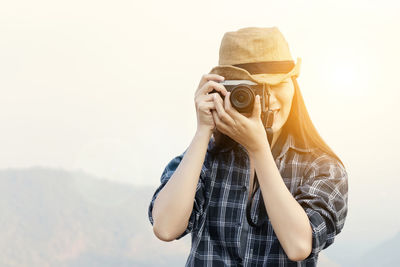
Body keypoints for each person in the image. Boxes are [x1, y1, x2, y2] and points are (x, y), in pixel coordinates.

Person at [148, 27, 348, 266]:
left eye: (279, 84)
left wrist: (259, 150)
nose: (271, 99)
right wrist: (203, 130)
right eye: (255, 89)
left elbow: (299, 246)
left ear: (294, 85)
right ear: (224, 91)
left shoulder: (322, 168)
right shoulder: (204, 158)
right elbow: (166, 228)